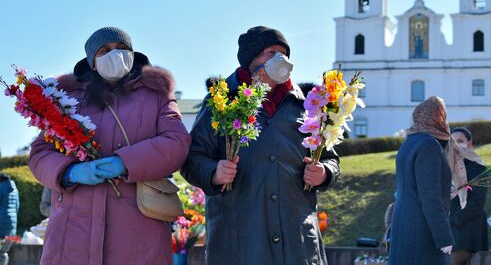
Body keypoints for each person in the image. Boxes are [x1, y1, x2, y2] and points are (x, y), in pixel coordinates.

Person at [29, 26, 191, 265]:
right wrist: (69, 171)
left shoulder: (156, 94)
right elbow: (40, 153)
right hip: (72, 232)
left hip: (138, 230)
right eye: (105, 50)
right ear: (92, 61)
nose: (115, 55)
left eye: (122, 49)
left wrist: (125, 162)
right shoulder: (67, 100)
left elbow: (176, 142)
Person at [181, 26, 340, 265]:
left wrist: (325, 173)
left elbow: (330, 158)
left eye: (285, 53)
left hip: (296, 242)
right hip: (241, 242)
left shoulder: (306, 105)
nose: (281, 59)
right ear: (251, 60)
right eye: (271, 52)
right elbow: (192, 158)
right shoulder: (222, 101)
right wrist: (214, 173)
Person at [389, 96, 454, 265]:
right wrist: (444, 238)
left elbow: (413, 186)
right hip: (422, 231)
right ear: (437, 117)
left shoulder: (409, 142)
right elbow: (429, 197)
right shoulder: (429, 145)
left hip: (405, 226)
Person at [449, 127, 488, 265]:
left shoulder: (478, 167)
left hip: (468, 232)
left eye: (460, 140)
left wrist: (454, 220)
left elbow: (477, 202)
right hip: (452, 232)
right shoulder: (448, 166)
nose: (456, 144)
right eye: (452, 141)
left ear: (469, 143)